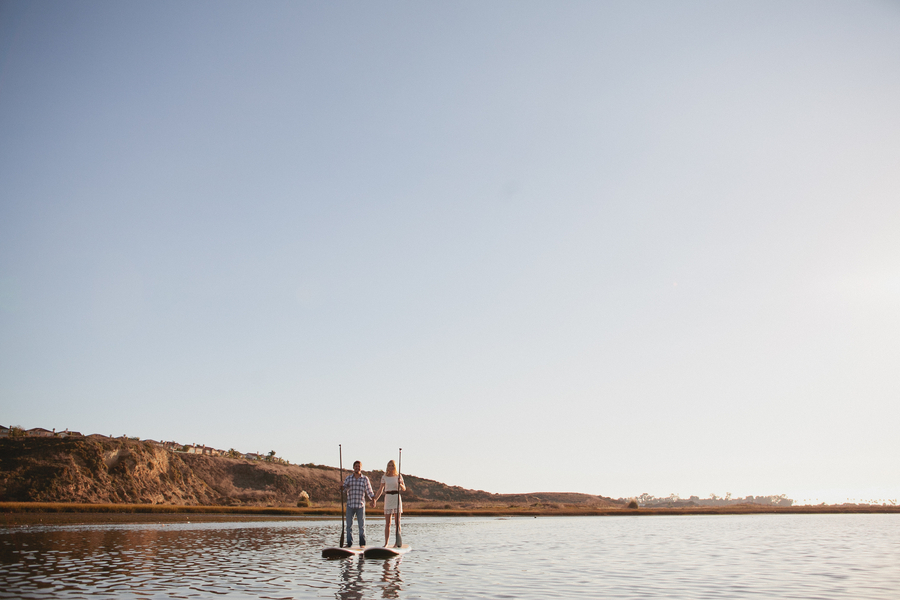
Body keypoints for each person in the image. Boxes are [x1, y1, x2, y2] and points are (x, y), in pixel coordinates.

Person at [372, 459, 406, 547]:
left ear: (394, 467)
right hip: (388, 498)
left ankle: (397, 542)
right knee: (388, 523)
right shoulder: (384, 477)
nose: (391, 467)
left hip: (396, 498)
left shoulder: (399, 476)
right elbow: (380, 489)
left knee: (397, 522)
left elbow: (404, 488)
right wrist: (375, 498)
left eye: (392, 466)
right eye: (389, 465)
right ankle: (386, 543)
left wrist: (400, 484)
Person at [341, 460, 374, 547]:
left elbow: (369, 491)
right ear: (353, 467)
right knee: (349, 526)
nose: (357, 467)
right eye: (356, 466)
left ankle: (362, 544)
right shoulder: (349, 478)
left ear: (361, 468)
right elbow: (343, 489)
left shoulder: (364, 479)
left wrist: (373, 499)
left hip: (360, 505)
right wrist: (341, 487)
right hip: (350, 505)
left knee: (361, 526)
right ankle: (349, 543)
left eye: (358, 466)